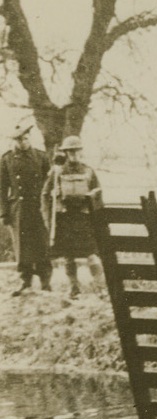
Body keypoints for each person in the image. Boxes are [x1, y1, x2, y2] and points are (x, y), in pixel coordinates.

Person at [41, 136, 102, 298]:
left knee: (92, 253)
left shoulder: (88, 171)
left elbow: (98, 194)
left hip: (84, 218)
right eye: (70, 151)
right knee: (69, 256)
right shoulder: (57, 172)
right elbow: (45, 195)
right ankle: (74, 287)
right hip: (65, 218)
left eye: (76, 151)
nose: (74, 154)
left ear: (81, 151)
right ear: (66, 153)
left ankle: (100, 286)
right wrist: (48, 218)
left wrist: (97, 213)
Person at [1, 124, 51, 295]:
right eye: (18, 139)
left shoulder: (41, 157)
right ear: (13, 141)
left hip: (39, 207)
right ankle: (25, 281)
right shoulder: (6, 159)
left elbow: (49, 183)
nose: (21, 142)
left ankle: (46, 282)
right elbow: (2, 188)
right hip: (19, 208)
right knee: (22, 246)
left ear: (30, 138)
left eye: (24, 138)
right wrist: (4, 212)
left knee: (42, 243)